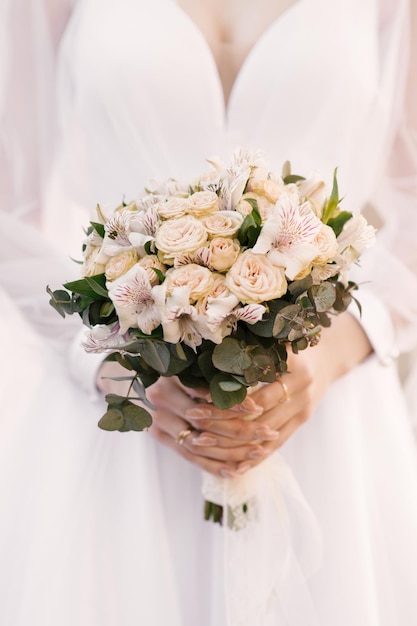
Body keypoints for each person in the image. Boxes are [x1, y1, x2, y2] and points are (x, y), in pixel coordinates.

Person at [1, 0, 417, 624]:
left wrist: (334, 353)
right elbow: (10, 211)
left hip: (327, 417)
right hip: (128, 425)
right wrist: (119, 370)